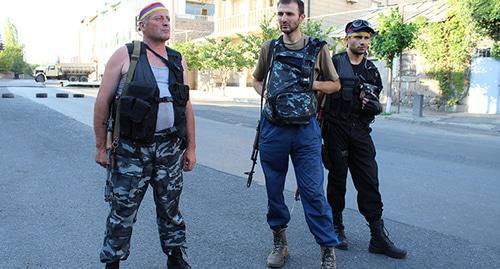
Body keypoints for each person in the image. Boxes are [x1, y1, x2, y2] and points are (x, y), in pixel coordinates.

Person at [93, 2, 196, 269]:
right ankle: (112, 261)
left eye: (168, 19)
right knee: (122, 210)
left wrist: (192, 148)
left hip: (169, 149)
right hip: (130, 150)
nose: (166, 23)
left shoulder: (177, 59)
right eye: (159, 18)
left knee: (170, 209)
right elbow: (103, 101)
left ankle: (175, 257)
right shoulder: (125, 55)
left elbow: (185, 106)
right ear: (142, 25)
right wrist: (100, 147)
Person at [252, 0, 341, 268]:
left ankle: (327, 249)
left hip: (305, 130)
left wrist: (311, 84)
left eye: (289, 14)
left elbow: (335, 84)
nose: (283, 18)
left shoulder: (318, 48)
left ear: (301, 17)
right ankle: (280, 242)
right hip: (273, 129)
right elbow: (256, 80)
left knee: (313, 191)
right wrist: (265, 93)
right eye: (279, 13)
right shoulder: (269, 47)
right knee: (274, 190)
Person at [323, 19, 406, 259]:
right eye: (358, 37)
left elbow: (375, 101)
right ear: (346, 38)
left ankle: (377, 236)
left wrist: (374, 107)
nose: (362, 42)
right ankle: (336, 227)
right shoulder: (334, 64)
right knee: (337, 181)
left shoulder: (372, 70)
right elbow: (318, 94)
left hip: (360, 131)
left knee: (369, 181)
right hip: (335, 129)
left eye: (366, 38)